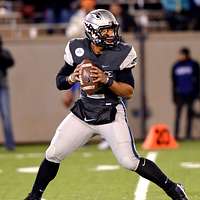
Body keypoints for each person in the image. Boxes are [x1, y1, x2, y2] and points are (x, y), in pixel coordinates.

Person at [24, 9, 188, 200]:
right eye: (106, 31)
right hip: (84, 111)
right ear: (92, 32)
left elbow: (128, 91)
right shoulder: (76, 48)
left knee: (129, 161)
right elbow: (59, 81)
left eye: (112, 30)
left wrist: (106, 80)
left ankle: (174, 189)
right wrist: (72, 77)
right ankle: (34, 196)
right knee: (53, 153)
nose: (111, 34)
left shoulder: (122, 52)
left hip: (110, 112)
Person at [172, 47, 200, 140]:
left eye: (181, 54)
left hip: (190, 94)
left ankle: (188, 135)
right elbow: (174, 82)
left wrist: (197, 93)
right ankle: (176, 135)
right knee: (178, 115)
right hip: (180, 94)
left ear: (186, 55)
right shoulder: (176, 66)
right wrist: (174, 96)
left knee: (189, 115)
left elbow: (198, 80)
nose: (179, 56)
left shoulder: (193, 64)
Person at [0, 35, 15, 150]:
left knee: (6, 115)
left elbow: (10, 62)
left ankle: (10, 144)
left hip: (2, 87)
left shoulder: (4, 52)